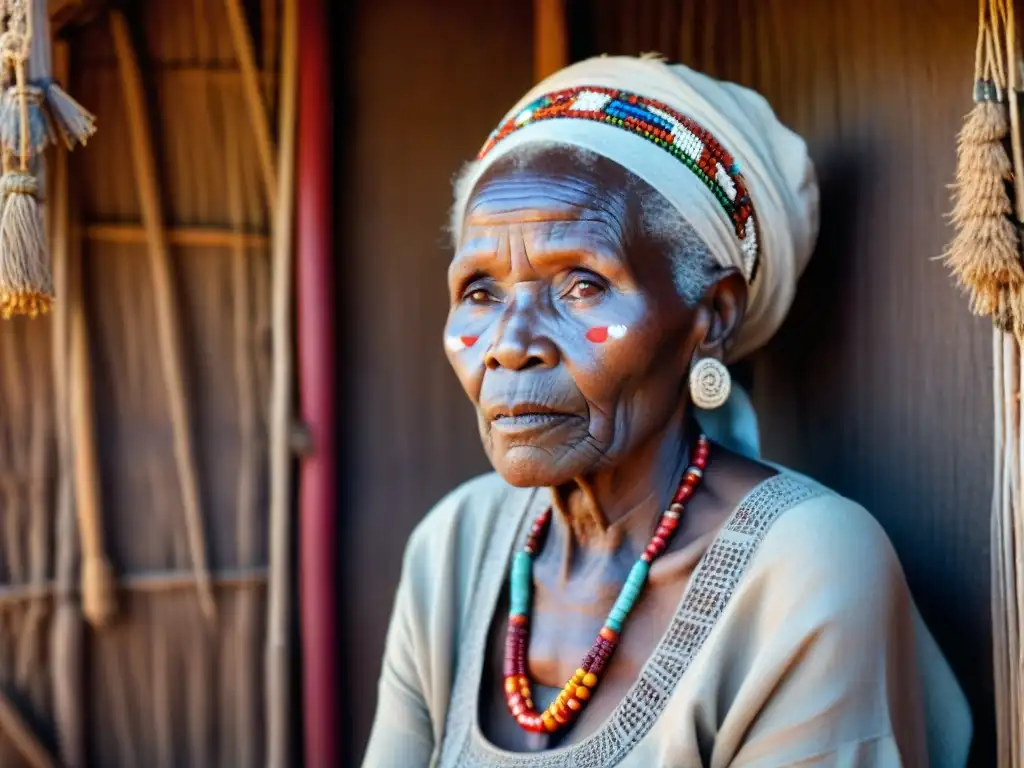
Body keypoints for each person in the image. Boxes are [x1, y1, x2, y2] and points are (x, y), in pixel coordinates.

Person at [363, 55, 972, 767]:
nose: (510, 346)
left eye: (582, 286)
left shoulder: (806, 569)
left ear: (710, 317)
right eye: (479, 292)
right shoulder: (454, 547)